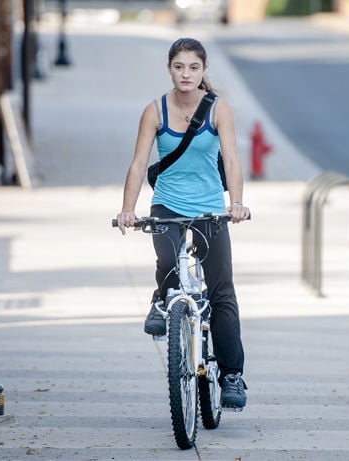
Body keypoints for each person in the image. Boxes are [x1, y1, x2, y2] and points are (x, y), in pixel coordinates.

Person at [116, 37, 250, 409]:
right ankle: (163, 300)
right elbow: (138, 163)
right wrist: (128, 208)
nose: (186, 74)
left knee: (222, 291)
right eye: (179, 67)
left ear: (203, 70)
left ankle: (233, 376)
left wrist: (235, 203)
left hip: (210, 207)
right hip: (168, 205)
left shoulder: (219, 110)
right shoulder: (154, 111)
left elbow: (234, 162)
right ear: (169, 69)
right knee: (167, 262)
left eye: (193, 67)